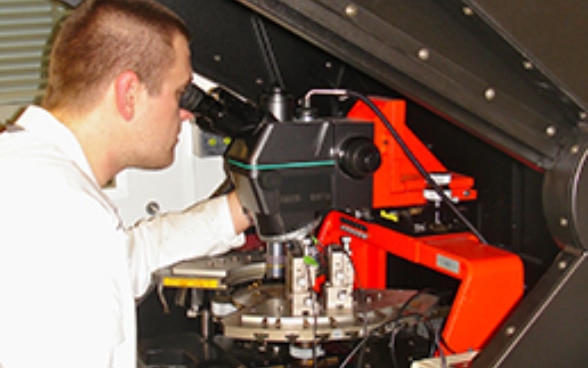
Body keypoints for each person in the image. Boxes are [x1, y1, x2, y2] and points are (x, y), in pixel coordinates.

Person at [0, 0, 252, 367]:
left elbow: (132, 255)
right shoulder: (66, 215)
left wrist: (245, 206)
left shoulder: (30, 173)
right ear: (129, 93)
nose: (186, 114)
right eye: (180, 94)